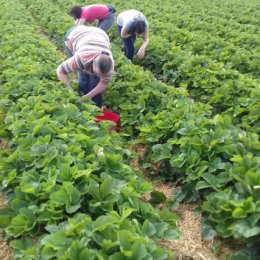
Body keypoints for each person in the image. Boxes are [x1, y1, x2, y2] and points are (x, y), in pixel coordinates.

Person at [57, 25, 114, 108]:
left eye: (101, 74)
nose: (99, 76)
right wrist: (70, 91)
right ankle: (81, 95)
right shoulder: (81, 59)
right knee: (82, 74)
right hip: (75, 35)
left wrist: (87, 97)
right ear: (93, 62)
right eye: (97, 73)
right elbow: (60, 71)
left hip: (100, 35)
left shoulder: (109, 66)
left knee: (95, 80)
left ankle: (94, 106)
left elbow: (103, 83)